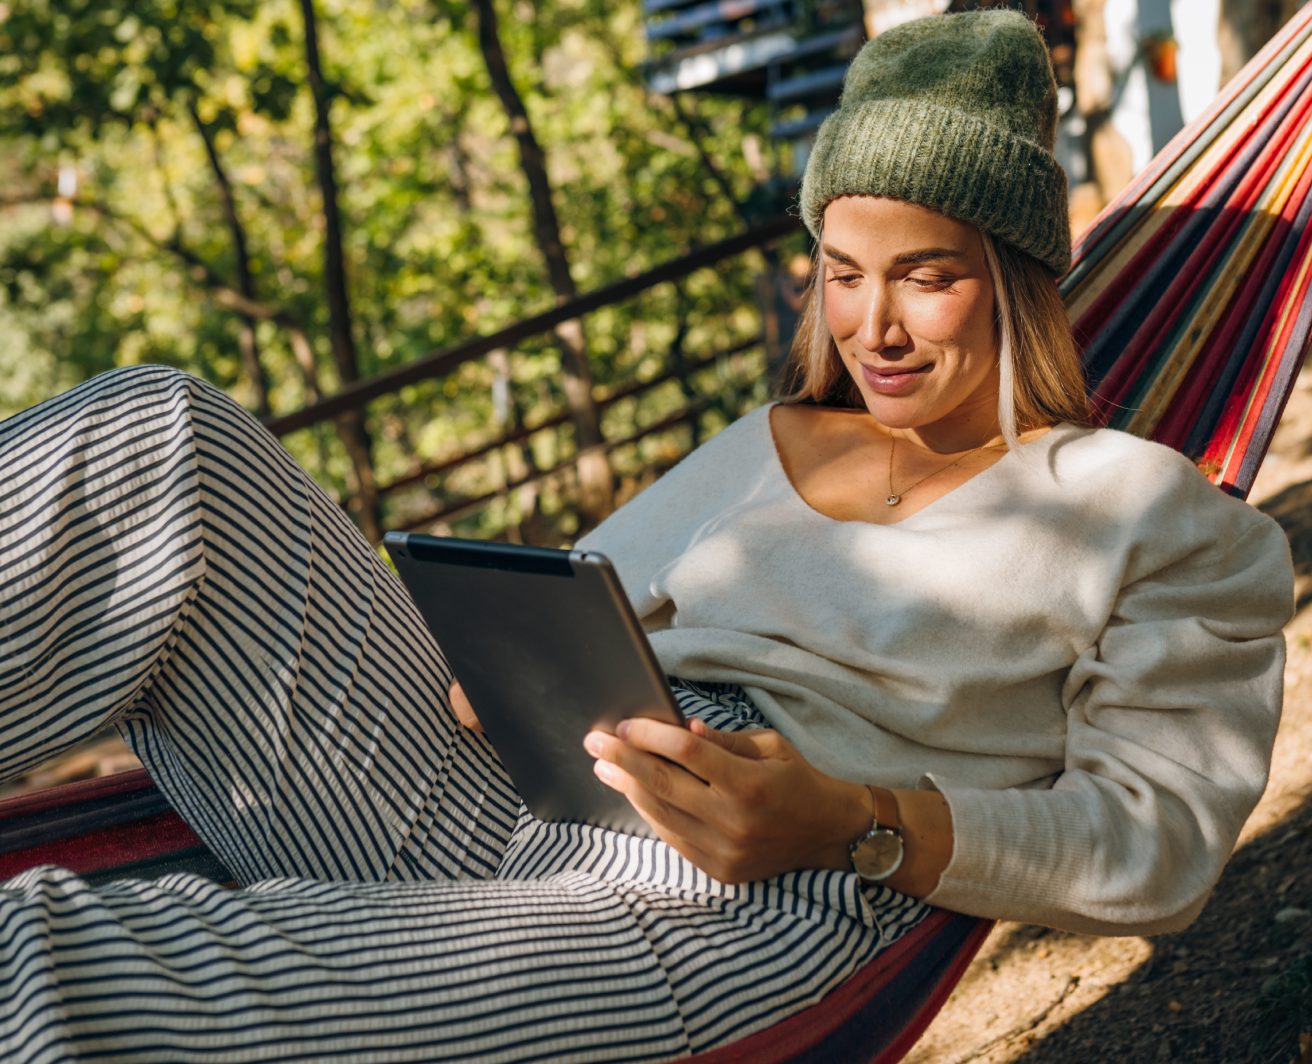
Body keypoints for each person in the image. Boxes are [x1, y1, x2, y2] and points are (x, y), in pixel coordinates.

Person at [0, 10, 1292, 1063]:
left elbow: (1158, 845)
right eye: (843, 271)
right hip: (510, 796)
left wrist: (856, 825)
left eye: (928, 276)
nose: (874, 327)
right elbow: (558, 617)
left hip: (746, 894)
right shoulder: (762, 438)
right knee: (155, 431)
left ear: (1014, 276)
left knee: (55, 965)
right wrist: (487, 670)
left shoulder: (1151, 512)